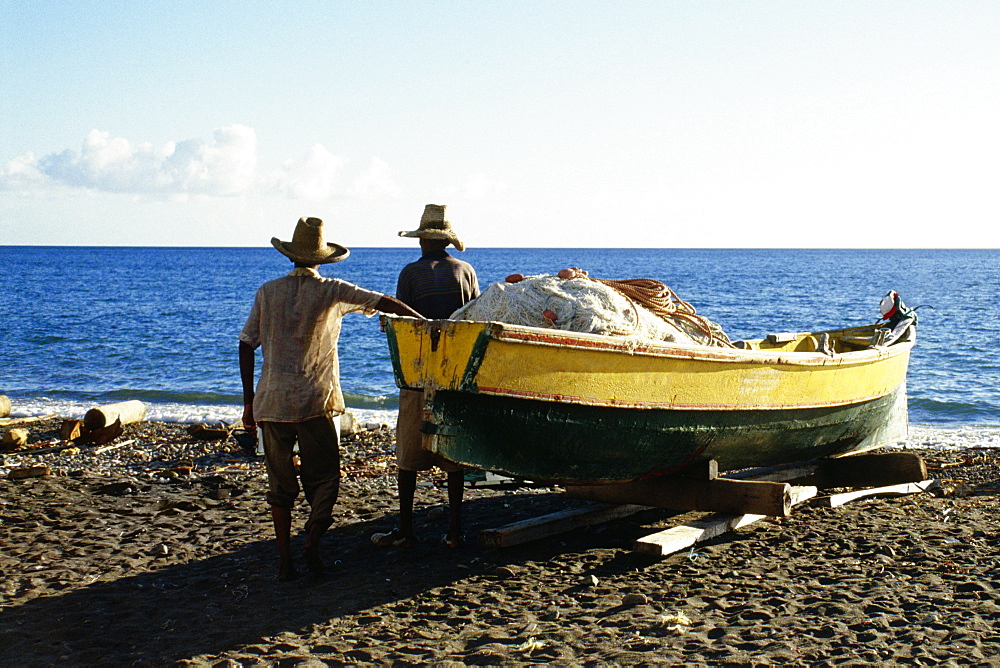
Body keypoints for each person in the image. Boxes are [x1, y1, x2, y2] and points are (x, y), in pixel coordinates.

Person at [239, 216, 420, 582]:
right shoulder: (332, 290)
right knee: (325, 481)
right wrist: (427, 322)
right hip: (315, 402)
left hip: (272, 401)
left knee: (280, 487)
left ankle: (284, 561)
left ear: (291, 256)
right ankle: (313, 539)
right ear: (322, 259)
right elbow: (386, 302)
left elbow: (245, 345)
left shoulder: (267, 291)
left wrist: (248, 402)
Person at [372, 204, 480, 549]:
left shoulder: (411, 274)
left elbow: (403, 322)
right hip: (454, 371)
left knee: (408, 454)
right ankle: (454, 530)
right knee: (454, 458)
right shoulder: (465, 271)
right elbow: (475, 319)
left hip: (418, 371)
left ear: (422, 240)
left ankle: (405, 529)